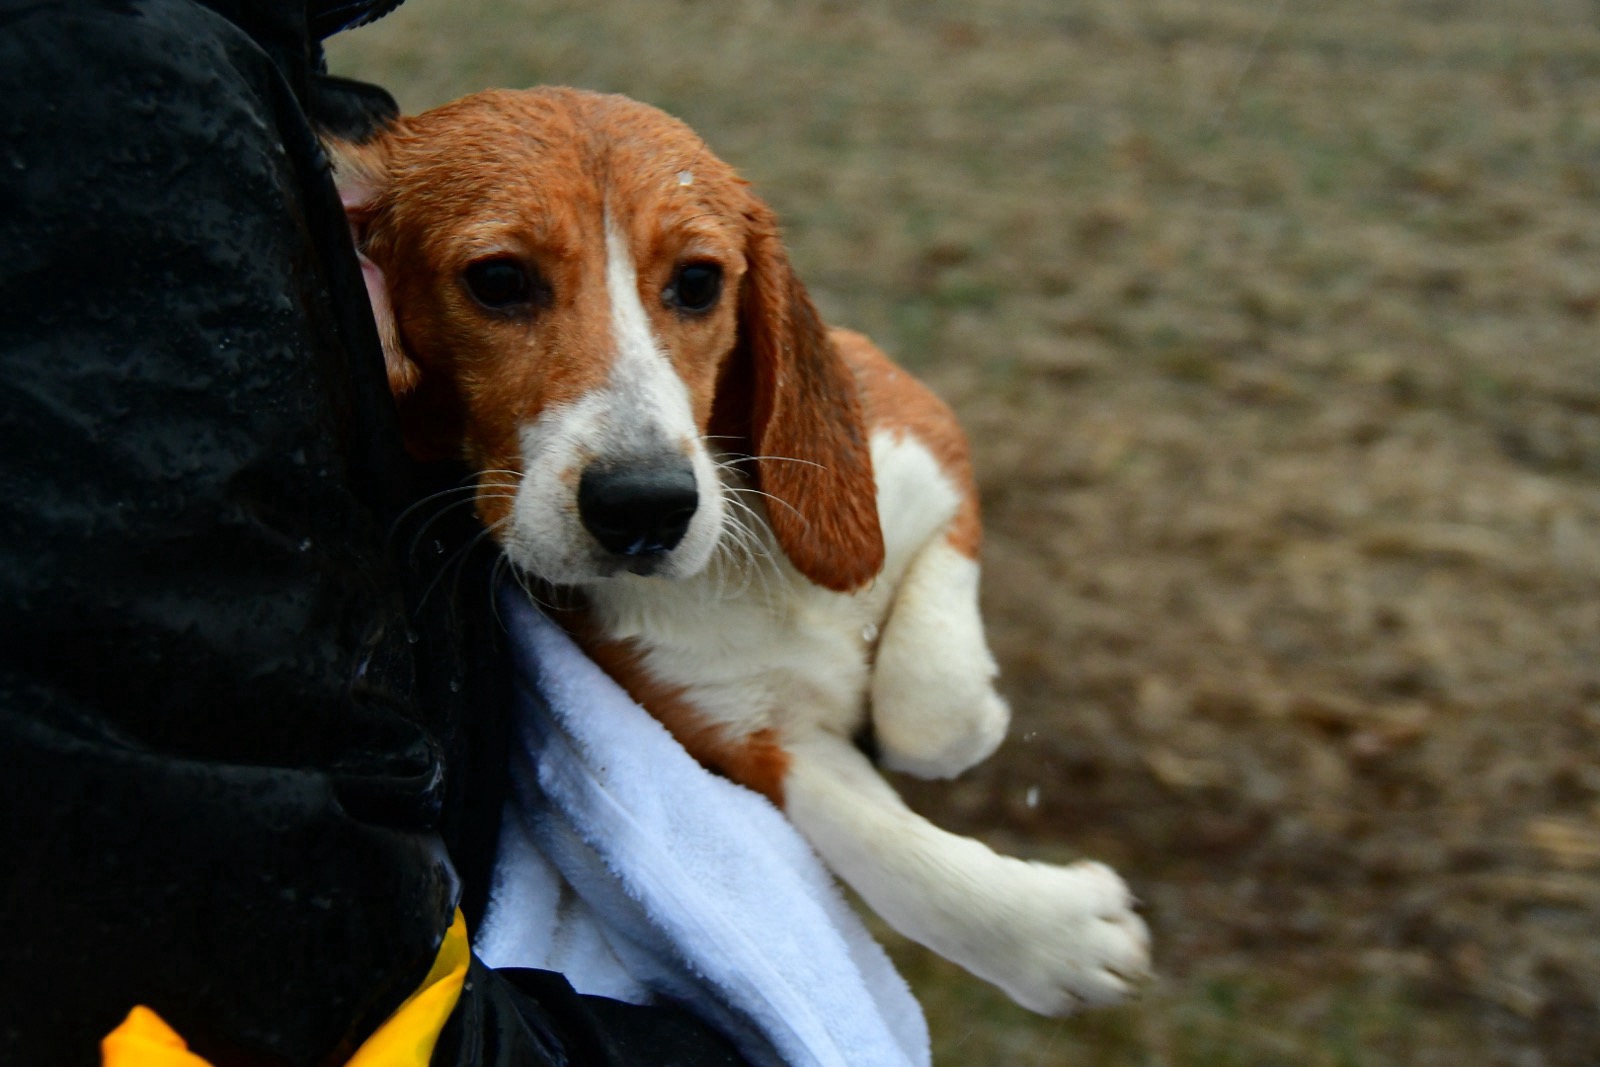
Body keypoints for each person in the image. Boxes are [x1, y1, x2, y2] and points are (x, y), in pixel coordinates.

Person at [0, 0, 752, 1061]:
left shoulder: (267, 77)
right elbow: (236, 933)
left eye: (694, 286)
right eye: (500, 283)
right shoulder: (104, 74)